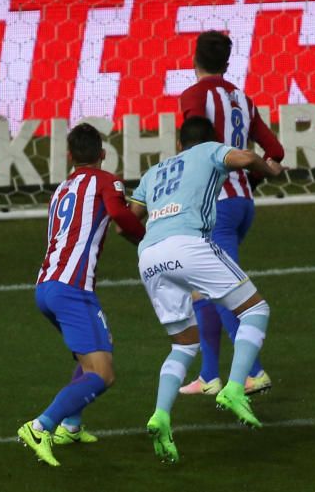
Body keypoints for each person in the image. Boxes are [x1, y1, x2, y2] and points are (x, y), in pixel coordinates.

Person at [128, 116, 283, 463]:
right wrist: (267, 169)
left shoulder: (154, 171)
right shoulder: (210, 151)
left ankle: (161, 415)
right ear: (209, 140)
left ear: (178, 144)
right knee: (256, 309)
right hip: (189, 244)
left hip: (150, 257)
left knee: (183, 345)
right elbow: (242, 158)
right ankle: (234, 387)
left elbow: (132, 216)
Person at [17, 123, 146, 467]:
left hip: (45, 286)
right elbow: (119, 214)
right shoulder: (106, 180)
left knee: (94, 353)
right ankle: (40, 426)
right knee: (103, 373)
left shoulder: (60, 191)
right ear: (103, 154)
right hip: (73, 290)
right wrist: (144, 238)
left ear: (69, 156)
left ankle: (71, 426)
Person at [177, 30, 285, 397]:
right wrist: (251, 183)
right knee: (199, 289)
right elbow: (275, 150)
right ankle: (209, 375)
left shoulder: (194, 96)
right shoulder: (242, 98)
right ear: (226, 63)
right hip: (241, 205)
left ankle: (253, 371)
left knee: (223, 291)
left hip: (213, 209)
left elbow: (195, 143)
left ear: (194, 59)